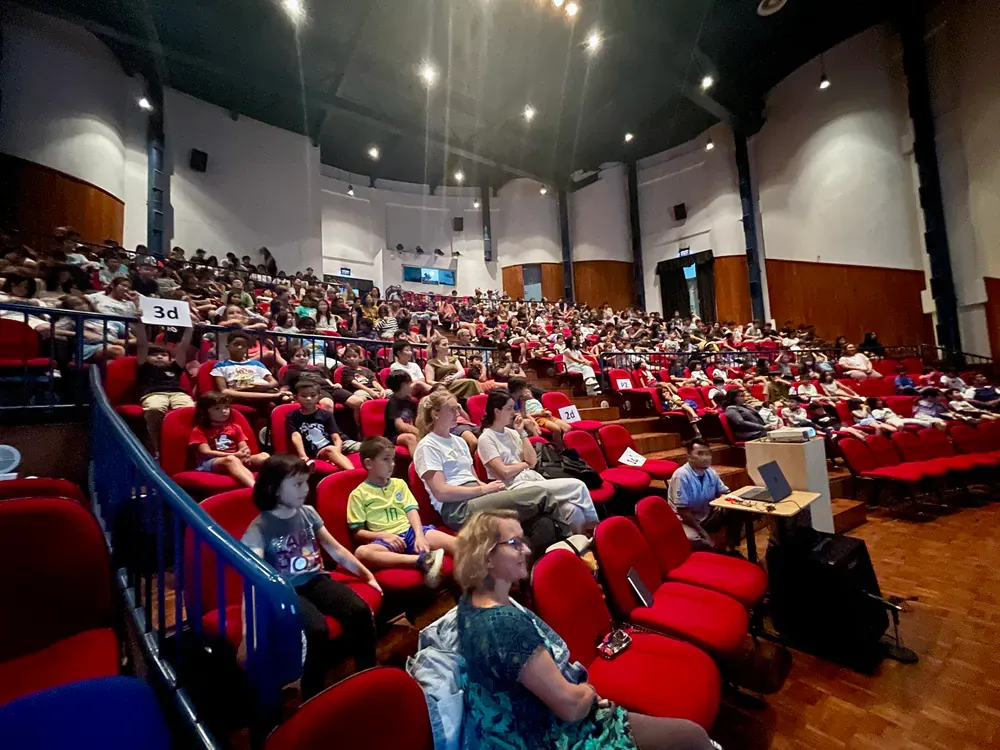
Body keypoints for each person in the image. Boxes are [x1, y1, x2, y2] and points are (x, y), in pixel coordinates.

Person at [455, 510, 716, 750]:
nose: (526, 549)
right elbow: (570, 707)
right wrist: (590, 692)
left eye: (523, 541)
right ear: (486, 556)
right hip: (542, 736)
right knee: (691, 736)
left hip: (509, 726)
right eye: (514, 544)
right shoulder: (504, 625)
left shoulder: (471, 600)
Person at [241, 455, 379, 699]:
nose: (305, 489)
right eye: (297, 484)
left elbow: (336, 549)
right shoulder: (259, 528)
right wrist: (246, 632)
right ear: (274, 488)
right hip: (285, 592)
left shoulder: (307, 513)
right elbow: (252, 579)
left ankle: (368, 672)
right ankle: (310, 694)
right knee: (316, 630)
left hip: (315, 579)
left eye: (306, 482)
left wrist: (367, 575)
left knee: (359, 610)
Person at [412, 389, 569, 555]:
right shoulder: (427, 446)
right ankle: (571, 542)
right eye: (451, 409)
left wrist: (494, 490)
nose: (457, 413)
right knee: (542, 494)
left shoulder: (459, 441)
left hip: (477, 498)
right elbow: (442, 492)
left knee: (543, 524)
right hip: (457, 509)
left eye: (457, 408)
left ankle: (531, 572)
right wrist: (484, 490)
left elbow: (472, 477)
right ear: (436, 414)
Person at [477, 390, 598, 535]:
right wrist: (524, 465)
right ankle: (595, 529)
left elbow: (532, 462)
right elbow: (504, 472)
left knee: (574, 510)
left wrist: (522, 433)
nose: (514, 413)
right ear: (497, 411)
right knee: (578, 486)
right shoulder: (486, 438)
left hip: (530, 478)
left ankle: (577, 547)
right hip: (512, 487)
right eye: (509, 408)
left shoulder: (513, 433)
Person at [348, 437, 455, 587]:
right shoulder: (358, 494)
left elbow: (411, 511)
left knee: (457, 544)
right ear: (368, 464)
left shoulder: (399, 484)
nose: (391, 464)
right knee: (361, 553)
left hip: (411, 532)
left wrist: (419, 535)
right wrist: (383, 535)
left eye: (392, 459)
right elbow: (358, 533)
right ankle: (422, 560)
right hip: (386, 541)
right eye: (385, 459)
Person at [667, 438, 742, 551]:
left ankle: (730, 548)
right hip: (686, 521)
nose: (706, 457)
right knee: (695, 541)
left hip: (707, 515)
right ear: (689, 456)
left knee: (737, 510)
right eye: (700, 454)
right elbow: (683, 511)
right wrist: (703, 533)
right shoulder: (681, 475)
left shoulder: (711, 472)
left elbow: (725, 492)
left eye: (708, 453)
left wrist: (722, 499)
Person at [132, 321, 195, 454]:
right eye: (154, 355)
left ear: (169, 358)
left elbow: (183, 347)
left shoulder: (175, 367)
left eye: (163, 355)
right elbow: (142, 345)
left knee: (189, 411)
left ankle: (187, 446)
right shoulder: (145, 367)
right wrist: (140, 324)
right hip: (153, 394)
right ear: (147, 358)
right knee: (154, 409)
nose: (159, 356)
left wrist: (189, 327)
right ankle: (156, 448)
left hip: (178, 394)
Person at [188, 392, 269, 487]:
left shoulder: (235, 427)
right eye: (217, 408)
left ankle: (274, 487)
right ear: (205, 412)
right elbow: (205, 452)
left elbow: (244, 446)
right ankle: (254, 488)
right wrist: (233, 455)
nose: (224, 411)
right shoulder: (199, 430)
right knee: (231, 460)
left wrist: (245, 453)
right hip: (210, 462)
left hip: (236, 458)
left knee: (264, 456)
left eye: (226, 407)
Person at [288, 376, 359, 471]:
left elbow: (336, 437)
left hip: (337, 446)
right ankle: (353, 474)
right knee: (330, 449)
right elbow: (296, 436)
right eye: (304, 396)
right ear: (296, 398)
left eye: (312, 395)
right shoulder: (292, 416)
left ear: (319, 397)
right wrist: (303, 456)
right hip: (317, 451)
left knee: (370, 448)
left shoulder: (325, 414)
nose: (308, 399)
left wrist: (337, 451)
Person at [211, 332, 288, 408]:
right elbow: (224, 390)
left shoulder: (256, 364)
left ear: (247, 349)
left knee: (277, 402)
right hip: (240, 394)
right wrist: (246, 388)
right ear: (228, 346)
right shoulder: (221, 366)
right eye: (236, 344)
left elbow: (274, 382)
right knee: (272, 403)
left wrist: (260, 386)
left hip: (262, 389)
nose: (239, 347)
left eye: (243, 346)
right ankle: (275, 396)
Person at [384, 371, 420, 455]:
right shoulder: (393, 403)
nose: (412, 386)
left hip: (413, 430)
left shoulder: (412, 401)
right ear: (403, 385)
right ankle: (417, 466)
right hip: (394, 436)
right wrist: (419, 432)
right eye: (409, 383)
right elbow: (400, 426)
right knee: (410, 438)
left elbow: (417, 420)